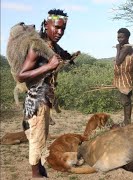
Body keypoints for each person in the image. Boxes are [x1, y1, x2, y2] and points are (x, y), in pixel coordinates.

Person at [17, 9, 79, 178]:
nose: (59, 32)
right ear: (46, 24)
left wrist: (69, 57)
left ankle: (41, 171)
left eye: (63, 29)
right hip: (36, 102)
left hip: (45, 100)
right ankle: (36, 175)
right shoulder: (37, 47)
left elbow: (62, 54)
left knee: (39, 138)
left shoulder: (53, 45)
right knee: (37, 141)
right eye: (56, 27)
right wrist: (49, 67)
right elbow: (20, 75)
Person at [113, 28, 133, 125]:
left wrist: (118, 49)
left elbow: (118, 62)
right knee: (126, 101)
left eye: (122, 37)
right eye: (118, 37)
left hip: (125, 80)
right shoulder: (124, 47)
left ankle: (127, 122)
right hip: (123, 79)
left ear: (127, 37)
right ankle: (126, 121)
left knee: (126, 101)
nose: (119, 39)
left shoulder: (126, 48)